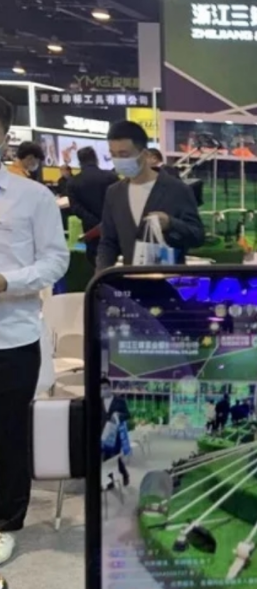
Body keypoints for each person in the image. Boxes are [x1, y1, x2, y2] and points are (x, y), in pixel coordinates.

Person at [0, 96, 70, 564]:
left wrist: (8, 282)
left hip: (11, 335)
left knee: (7, 434)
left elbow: (55, 260)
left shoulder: (32, 197)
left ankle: (6, 521)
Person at [97, 121, 205, 270]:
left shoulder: (177, 189)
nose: (118, 160)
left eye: (124, 154)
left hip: (169, 279)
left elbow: (198, 236)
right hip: (130, 279)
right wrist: (101, 274)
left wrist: (171, 223)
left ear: (145, 154)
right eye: (113, 155)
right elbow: (108, 242)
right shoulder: (114, 193)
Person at [67, 147, 120, 267]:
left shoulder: (73, 182)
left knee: (95, 264)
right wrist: (105, 221)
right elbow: (120, 202)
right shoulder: (111, 177)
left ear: (79, 161)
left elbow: (76, 208)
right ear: (96, 159)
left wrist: (95, 223)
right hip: (113, 229)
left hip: (90, 232)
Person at [101, 377, 131, 487]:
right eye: (101, 389)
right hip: (103, 435)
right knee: (106, 458)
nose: (104, 391)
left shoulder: (120, 401)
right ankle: (110, 481)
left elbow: (128, 415)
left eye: (105, 388)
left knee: (115, 457)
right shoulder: (99, 402)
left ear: (110, 388)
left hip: (115, 434)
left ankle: (124, 474)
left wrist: (118, 415)